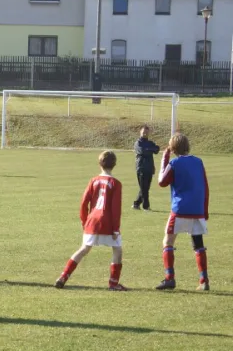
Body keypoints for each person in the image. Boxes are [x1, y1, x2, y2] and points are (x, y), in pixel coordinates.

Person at [54, 151, 127, 291]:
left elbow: (83, 202)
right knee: (117, 250)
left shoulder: (93, 180)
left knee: (83, 249)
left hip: (92, 221)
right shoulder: (116, 183)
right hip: (107, 222)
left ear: (99, 164)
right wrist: (116, 228)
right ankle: (113, 283)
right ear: (115, 165)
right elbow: (115, 208)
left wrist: (84, 221)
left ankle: (63, 276)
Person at [156, 133, 210, 291]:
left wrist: (164, 159)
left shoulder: (174, 163)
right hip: (197, 209)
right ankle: (204, 280)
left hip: (180, 209)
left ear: (173, 148)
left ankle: (169, 278)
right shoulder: (199, 162)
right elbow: (206, 188)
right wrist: (204, 211)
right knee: (198, 244)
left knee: (168, 242)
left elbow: (161, 182)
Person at [132, 125, 160, 211]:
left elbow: (157, 149)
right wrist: (150, 149)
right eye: (144, 131)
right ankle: (146, 207)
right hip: (141, 168)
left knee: (145, 188)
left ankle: (136, 204)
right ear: (140, 132)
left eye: (147, 132)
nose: (145, 133)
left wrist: (149, 149)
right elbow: (142, 151)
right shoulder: (138, 143)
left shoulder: (150, 143)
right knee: (144, 189)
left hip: (149, 168)